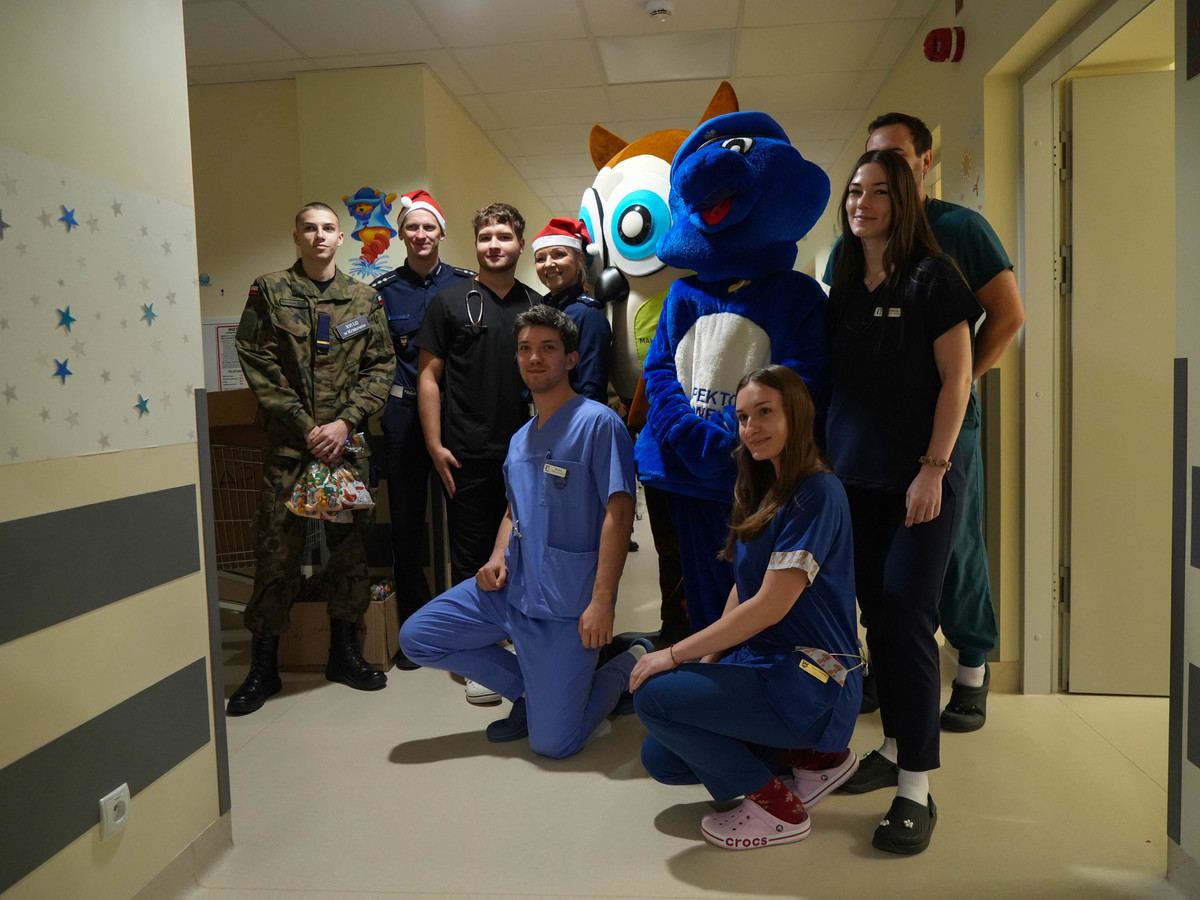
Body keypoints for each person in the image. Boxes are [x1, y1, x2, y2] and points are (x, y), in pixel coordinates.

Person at [824, 112, 1025, 729]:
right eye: (863, 175)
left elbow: (1008, 317)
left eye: (894, 165)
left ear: (924, 162)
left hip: (943, 427)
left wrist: (951, 387)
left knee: (955, 550)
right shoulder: (849, 252)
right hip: (866, 441)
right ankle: (888, 670)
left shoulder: (958, 232)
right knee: (877, 570)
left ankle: (972, 665)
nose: (870, 191)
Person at [630, 365, 862, 851]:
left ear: (796, 415)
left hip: (813, 678)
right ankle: (811, 760)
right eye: (741, 417)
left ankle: (778, 808)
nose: (751, 427)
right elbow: (744, 588)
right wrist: (708, 662)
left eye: (764, 412)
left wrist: (673, 655)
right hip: (768, 665)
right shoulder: (766, 489)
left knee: (654, 698)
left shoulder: (817, 493)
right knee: (663, 757)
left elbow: (770, 606)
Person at [400, 305, 645, 758]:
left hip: (566, 604)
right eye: (525, 348)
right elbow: (516, 509)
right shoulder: (520, 439)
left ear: (570, 359)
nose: (534, 357)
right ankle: (531, 691)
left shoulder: (598, 423)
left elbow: (620, 511)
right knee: (417, 637)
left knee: (555, 743)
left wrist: (602, 601)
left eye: (548, 348)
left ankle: (626, 666)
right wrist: (496, 557)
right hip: (513, 589)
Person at [825, 150, 981, 853]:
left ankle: (916, 788)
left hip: (921, 481)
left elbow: (958, 380)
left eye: (879, 192)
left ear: (905, 200)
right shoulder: (846, 282)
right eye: (855, 190)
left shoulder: (933, 278)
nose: (862, 202)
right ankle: (891, 746)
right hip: (855, 482)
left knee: (911, 617)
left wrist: (934, 469)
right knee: (877, 620)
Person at [227, 202, 397, 716]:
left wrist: (344, 422)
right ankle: (263, 667)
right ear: (296, 236)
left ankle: (344, 654)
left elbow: (381, 365)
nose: (319, 236)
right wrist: (306, 424)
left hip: (345, 448)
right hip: (289, 446)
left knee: (349, 550)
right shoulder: (270, 290)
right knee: (276, 553)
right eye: (310, 228)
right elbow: (255, 359)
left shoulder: (364, 298)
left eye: (328, 228)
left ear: (340, 238)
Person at [414, 202, 537, 703]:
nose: (494, 245)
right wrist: (435, 445)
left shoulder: (536, 307)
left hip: (526, 455)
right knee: (471, 555)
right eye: (486, 236)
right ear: (476, 244)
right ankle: (481, 657)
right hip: (464, 453)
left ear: (520, 243)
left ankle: (525, 640)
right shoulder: (449, 303)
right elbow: (428, 377)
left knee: (525, 550)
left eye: (504, 236)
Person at [370, 190, 474, 671]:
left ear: (441, 232)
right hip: (404, 417)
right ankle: (416, 629)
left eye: (428, 227)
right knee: (407, 526)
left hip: (458, 418)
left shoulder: (467, 286)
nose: (420, 234)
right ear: (401, 234)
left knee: (466, 522)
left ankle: (468, 625)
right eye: (412, 227)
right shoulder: (383, 291)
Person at [530, 217, 612, 403]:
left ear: (579, 260)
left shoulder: (588, 314)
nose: (548, 264)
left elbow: (592, 390)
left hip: (574, 416)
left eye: (559, 255)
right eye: (540, 259)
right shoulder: (538, 311)